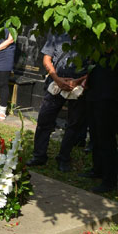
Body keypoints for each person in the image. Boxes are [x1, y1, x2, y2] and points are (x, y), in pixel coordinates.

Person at [26, 32, 88, 173]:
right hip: (56, 83)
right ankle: (39, 155)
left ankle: (64, 158)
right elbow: (47, 59)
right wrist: (57, 79)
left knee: (73, 123)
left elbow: (93, 67)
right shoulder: (58, 34)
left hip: (78, 85)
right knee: (44, 119)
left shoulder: (90, 38)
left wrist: (76, 81)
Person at [84, 53, 118, 193]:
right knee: (95, 135)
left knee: (106, 138)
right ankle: (97, 169)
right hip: (93, 93)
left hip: (107, 96)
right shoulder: (97, 47)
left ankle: (109, 180)